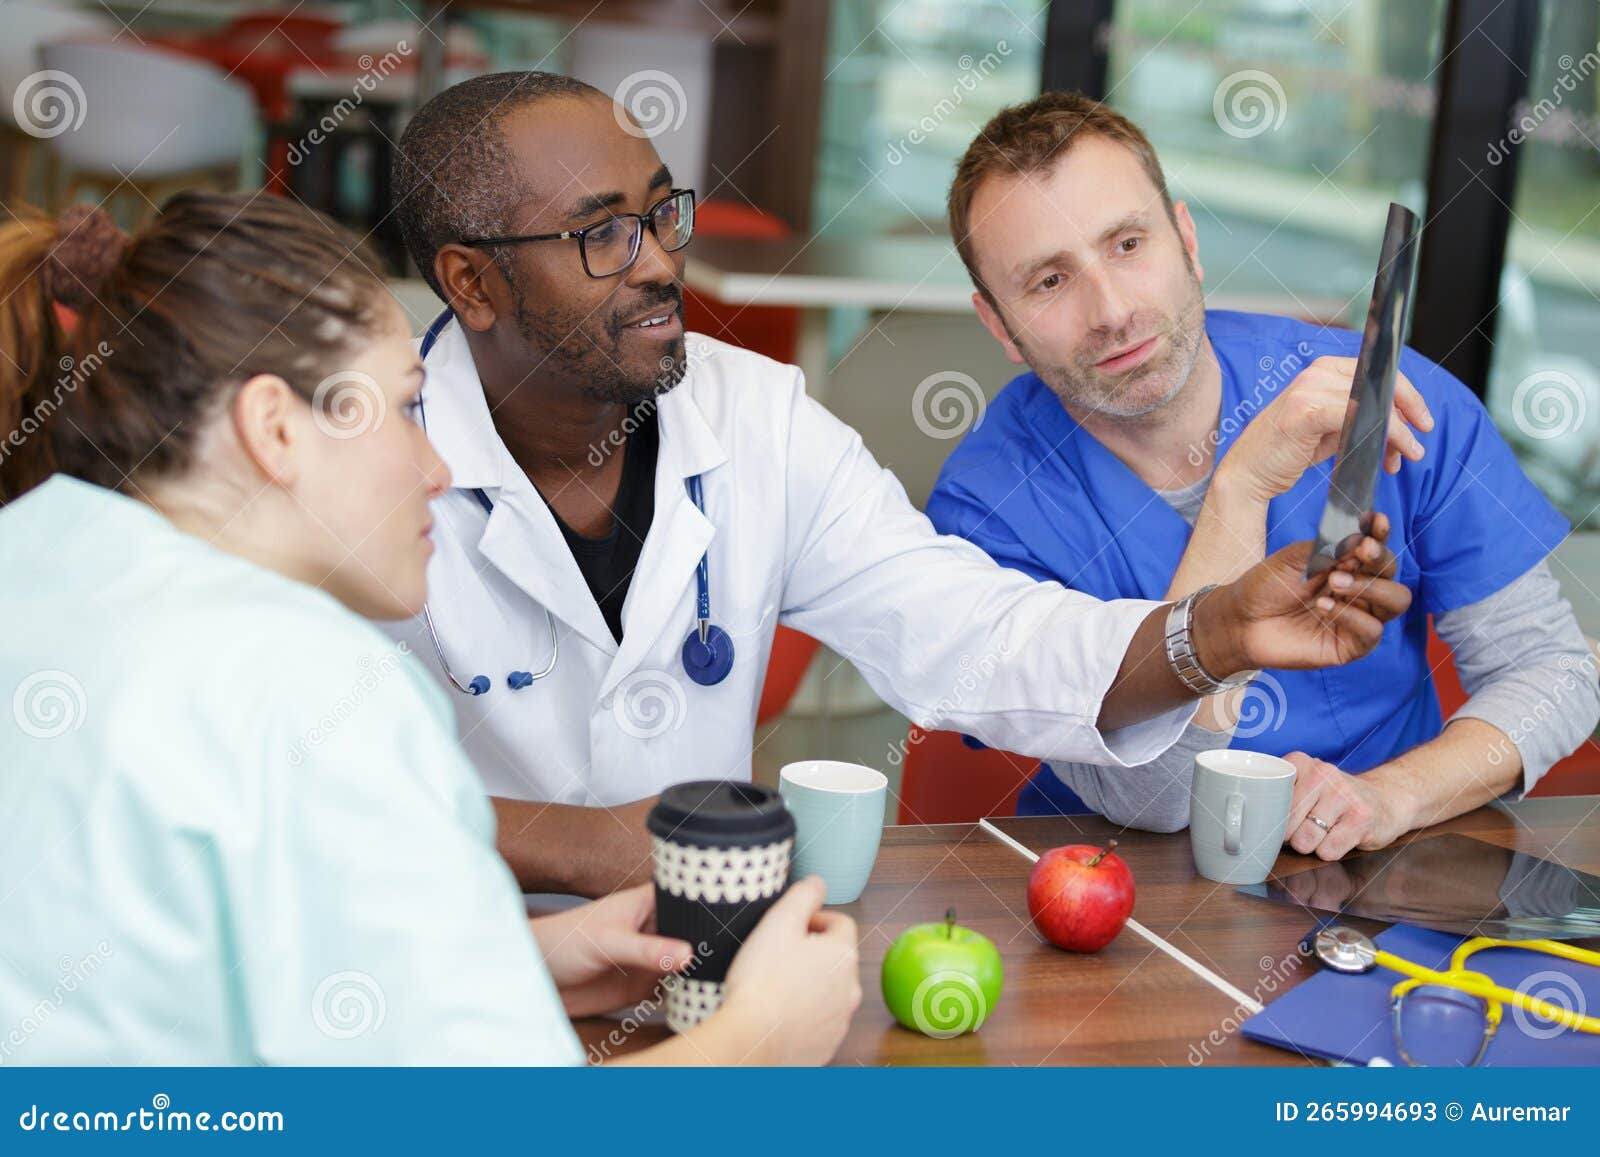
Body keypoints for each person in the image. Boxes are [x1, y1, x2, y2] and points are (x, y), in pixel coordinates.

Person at [386, 71, 1413, 898]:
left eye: (661, 214)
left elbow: (973, 633)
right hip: (426, 957)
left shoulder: (756, 420)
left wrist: (1215, 632)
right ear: (471, 282)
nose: (659, 263)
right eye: (601, 233)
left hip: (688, 950)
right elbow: (268, 764)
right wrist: (565, 843)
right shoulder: (359, 450)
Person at [0, 194, 859, 1065]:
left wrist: (519, 961)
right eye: (405, 408)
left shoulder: (30, 556)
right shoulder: (307, 681)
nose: (436, 469)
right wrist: (763, 1035)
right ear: (274, 427)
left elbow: (169, 980)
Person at [926, 91, 1600, 859]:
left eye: (1127, 244)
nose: (1110, 310)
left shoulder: (1389, 400)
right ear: (997, 324)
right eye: (1049, 281)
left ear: (1186, 239)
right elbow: (1156, 797)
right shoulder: (985, 512)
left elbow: (1550, 670)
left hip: (1390, 875)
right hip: (1123, 898)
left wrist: (1391, 796)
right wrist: (1240, 490)